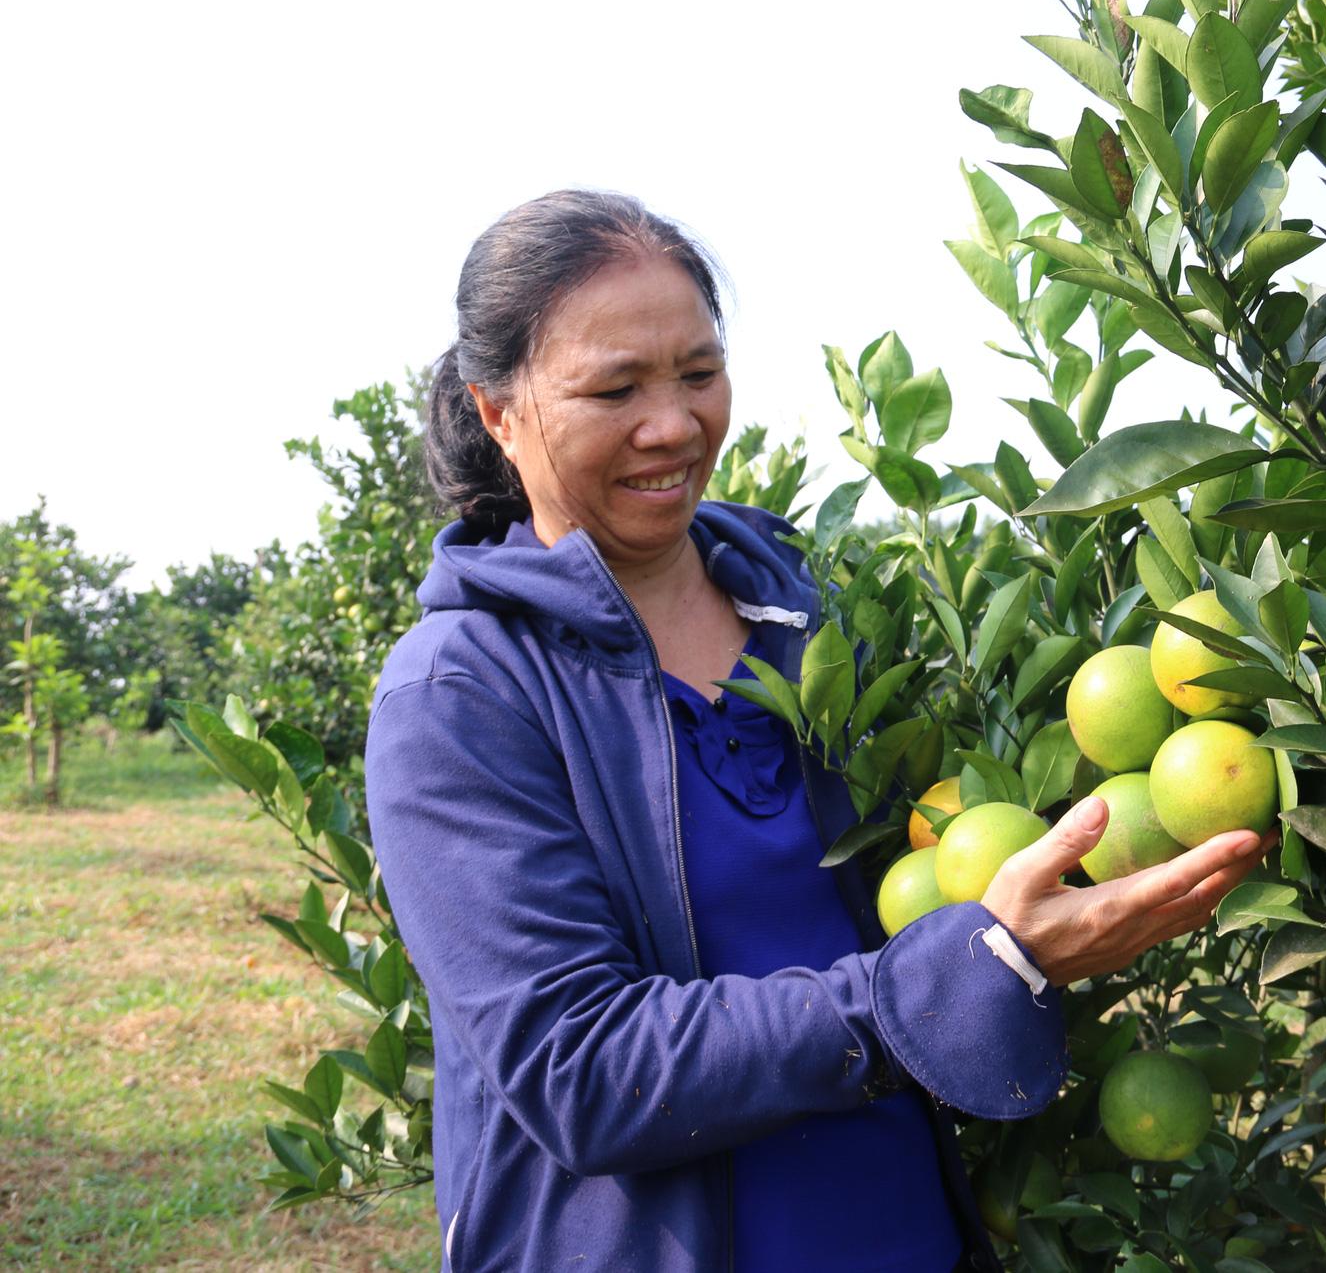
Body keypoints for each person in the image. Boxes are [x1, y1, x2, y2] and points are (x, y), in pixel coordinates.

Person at [365, 188, 1277, 1273]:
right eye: (614, 388)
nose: (673, 424)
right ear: (498, 411)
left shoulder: (806, 611)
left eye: (699, 374)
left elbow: (933, 869)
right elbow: (584, 1074)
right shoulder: (459, 695)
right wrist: (962, 971)